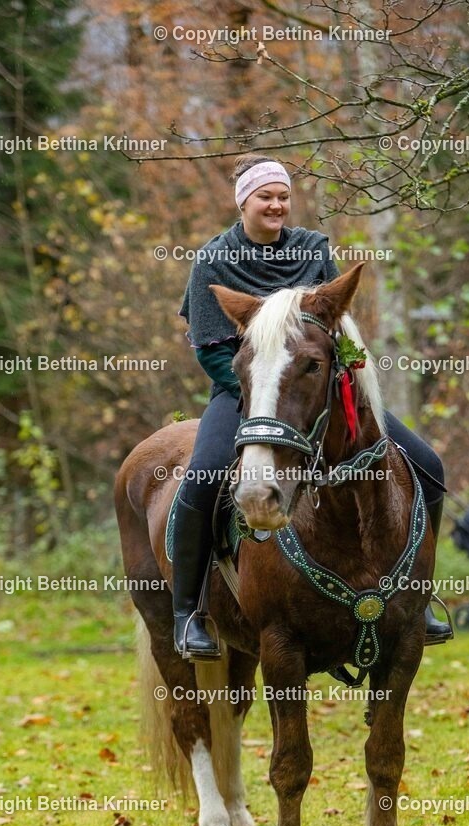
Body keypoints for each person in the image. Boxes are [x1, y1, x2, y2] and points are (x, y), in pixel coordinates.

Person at [173, 154, 452, 659]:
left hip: (319, 392)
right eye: (265, 196)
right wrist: (264, 395)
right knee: (203, 476)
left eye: (283, 195)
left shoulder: (313, 249)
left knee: (427, 464)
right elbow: (211, 348)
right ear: (244, 202)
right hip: (244, 395)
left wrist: (345, 380)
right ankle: (188, 611)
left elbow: (337, 330)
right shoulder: (212, 261)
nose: (276, 204)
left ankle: (421, 595)